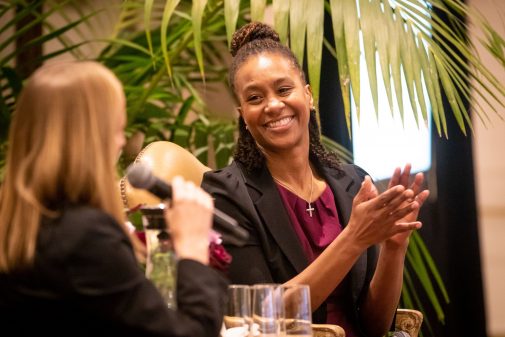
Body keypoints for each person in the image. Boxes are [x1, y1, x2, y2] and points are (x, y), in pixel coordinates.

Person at [201, 22, 429, 337]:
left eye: (284, 89)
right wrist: (354, 238)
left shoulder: (353, 182)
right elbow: (259, 316)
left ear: (308, 96)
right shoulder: (225, 195)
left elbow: (376, 326)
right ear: (242, 115)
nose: (273, 105)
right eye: (255, 98)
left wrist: (394, 247)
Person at [0, 61, 227, 337]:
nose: (121, 142)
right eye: (117, 129)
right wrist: (192, 248)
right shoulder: (84, 236)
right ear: (92, 138)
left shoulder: (17, 225)